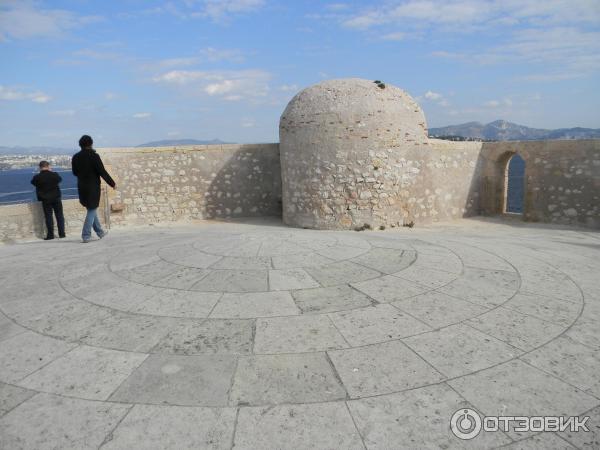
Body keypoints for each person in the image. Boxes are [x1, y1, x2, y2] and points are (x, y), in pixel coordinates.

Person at [71, 135, 116, 243]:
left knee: (91, 208)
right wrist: (112, 183)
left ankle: (100, 232)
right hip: (92, 186)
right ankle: (86, 235)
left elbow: (74, 172)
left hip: (81, 186)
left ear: (80, 145)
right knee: (92, 209)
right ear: (91, 144)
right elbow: (102, 171)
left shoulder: (75, 157)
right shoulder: (94, 156)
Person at [31, 161, 65, 240]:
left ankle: (50, 235)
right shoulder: (54, 175)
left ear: (40, 167)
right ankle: (62, 234)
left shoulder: (37, 177)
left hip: (45, 199)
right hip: (56, 198)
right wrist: (51, 171)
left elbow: (33, 182)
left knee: (48, 217)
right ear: (48, 166)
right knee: (59, 216)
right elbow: (59, 179)